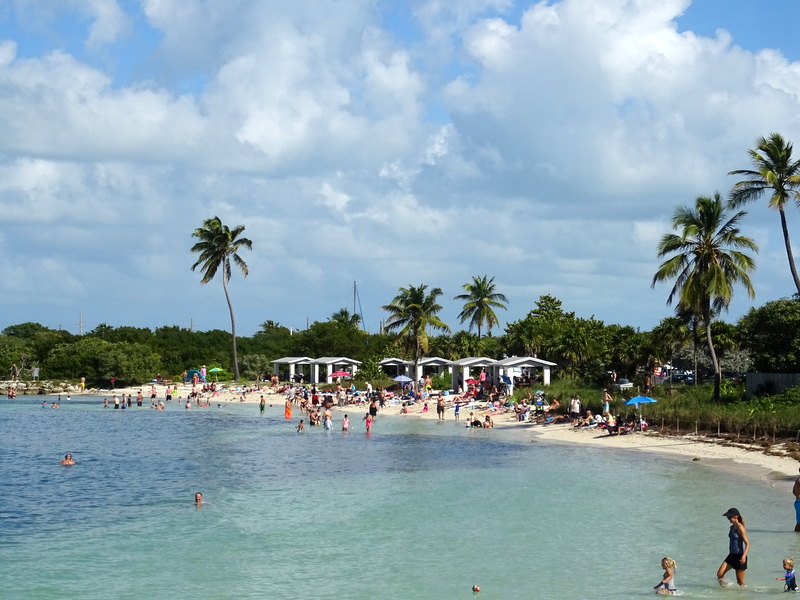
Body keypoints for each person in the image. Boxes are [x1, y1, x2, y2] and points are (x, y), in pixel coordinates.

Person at [717, 507, 749, 587]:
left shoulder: (740, 528)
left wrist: (744, 556)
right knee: (719, 574)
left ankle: (745, 595)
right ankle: (725, 592)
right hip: (731, 555)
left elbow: (747, 544)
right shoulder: (731, 528)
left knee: (740, 583)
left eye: (729, 517)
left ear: (736, 517)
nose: (728, 519)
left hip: (740, 556)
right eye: (727, 517)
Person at [793, 467, 800, 532]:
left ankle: (796, 540)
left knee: (798, 523)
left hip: (797, 502)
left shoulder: (797, 480)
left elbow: (793, 491)